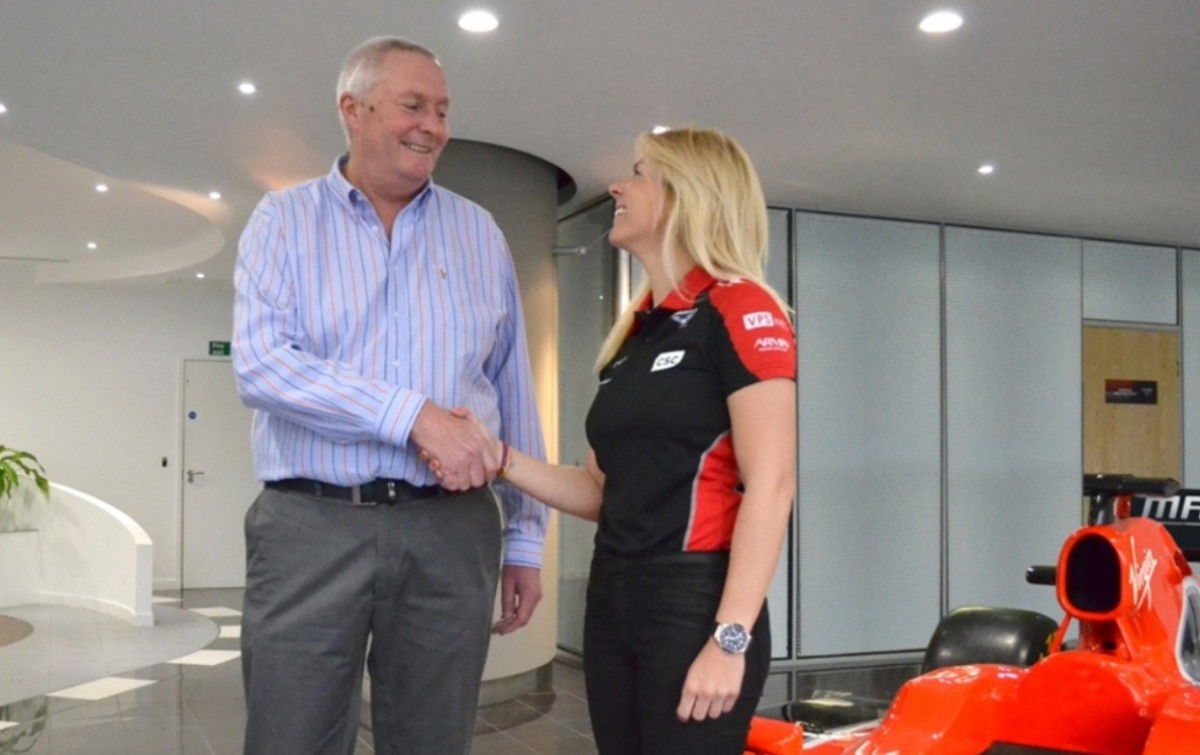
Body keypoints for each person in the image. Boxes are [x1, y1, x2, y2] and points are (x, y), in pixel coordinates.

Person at [231, 36, 548, 755]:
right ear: (353, 109)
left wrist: (526, 539)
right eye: (412, 105)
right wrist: (411, 417)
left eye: (442, 110)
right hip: (311, 526)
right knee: (289, 737)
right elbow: (262, 365)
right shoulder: (283, 221)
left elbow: (510, 388)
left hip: (451, 533)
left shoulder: (479, 232)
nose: (432, 126)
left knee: (434, 740)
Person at [449, 127, 796, 754]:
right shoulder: (634, 337)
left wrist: (729, 639)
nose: (616, 186)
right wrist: (498, 457)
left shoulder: (742, 309)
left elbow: (772, 484)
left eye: (638, 173)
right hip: (614, 594)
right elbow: (599, 490)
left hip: (693, 599)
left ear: (687, 195)